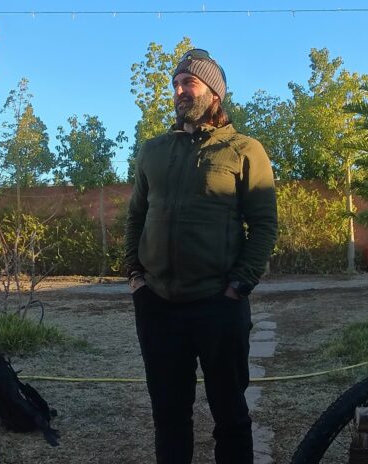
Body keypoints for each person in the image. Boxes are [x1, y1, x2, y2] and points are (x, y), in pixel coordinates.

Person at [125, 48, 278, 464]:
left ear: (214, 92)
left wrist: (239, 285)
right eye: (175, 84)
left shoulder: (244, 150)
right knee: (169, 416)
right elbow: (136, 215)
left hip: (218, 305)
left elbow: (264, 224)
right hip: (157, 305)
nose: (179, 91)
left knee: (230, 415)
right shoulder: (152, 151)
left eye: (188, 83)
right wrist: (136, 278)